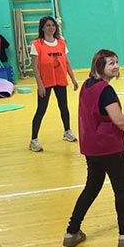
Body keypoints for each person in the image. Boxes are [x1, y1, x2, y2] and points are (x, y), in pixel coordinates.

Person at [63, 49, 124, 247]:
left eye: (117, 62)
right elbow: (119, 120)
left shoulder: (87, 85)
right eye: (111, 63)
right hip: (109, 147)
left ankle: (72, 231)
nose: (116, 66)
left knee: (91, 188)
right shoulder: (105, 91)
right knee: (121, 190)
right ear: (99, 66)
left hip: (91, 147)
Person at [29, 16, 79, 152]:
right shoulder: (36, 44)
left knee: (64, 107)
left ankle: (67, 131)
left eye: (53, 25)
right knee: (41, 110)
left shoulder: (61, 43)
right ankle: (33, 140)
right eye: (48, 25)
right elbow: (35, 67)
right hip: (46, 82)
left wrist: (73, 79)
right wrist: (40, 85)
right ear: (42, 28)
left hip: (60, 80)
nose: (51, 28)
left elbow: (66, 62)